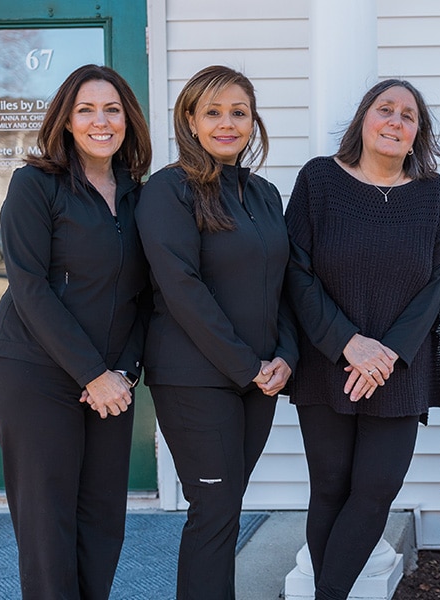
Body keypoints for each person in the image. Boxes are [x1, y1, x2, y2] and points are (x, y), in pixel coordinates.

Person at [284, 79, 440, 600]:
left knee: (377, 490)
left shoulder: (433, 194)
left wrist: (387, 355)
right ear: (364, 118)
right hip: (326, 361)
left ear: (416, 135)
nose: (396, 121)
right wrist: (348, 344)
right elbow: (295, 270)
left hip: (400, 370)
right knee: (331, 489)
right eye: (386, 109)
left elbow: (435, 282)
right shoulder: (319, 181)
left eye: (409, 116)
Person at [0, 64, 151, 599]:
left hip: (110, 382)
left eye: (112, 109)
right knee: (47, 530)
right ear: (66, 120)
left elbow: (145, 297)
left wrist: (121, 372)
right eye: (86, 109)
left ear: (128, 120)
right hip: (32, 372)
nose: (101, 121)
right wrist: (92, 372)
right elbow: (30, 287)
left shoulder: (139, 196)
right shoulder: (37, 185)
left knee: (102, 523)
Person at [136, 65, 295, 599]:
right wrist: (246, 365)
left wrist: (285, 358)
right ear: (190, 120)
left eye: (239, 112)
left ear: (253, 121)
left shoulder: (266, 194)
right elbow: (182, 289)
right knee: (215, 510)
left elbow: (287, 285)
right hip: (194, 379)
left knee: (226, 508)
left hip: (260, 379)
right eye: (213, 112)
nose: (227, 123)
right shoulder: (168, 191)